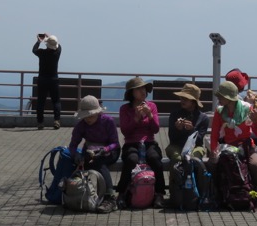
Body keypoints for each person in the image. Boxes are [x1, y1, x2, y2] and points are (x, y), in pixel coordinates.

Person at [118, 76, 165, 207]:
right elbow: (125, 132)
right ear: (131, 93)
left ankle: (159, 194)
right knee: (131, 160)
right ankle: (121, 193)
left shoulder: (152, 106)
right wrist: (136, 118)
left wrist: (150, 115)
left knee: (155, 159)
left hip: (149, 142)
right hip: (131, 143)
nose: (143, 92)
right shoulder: (125, 109)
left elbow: (155, 130)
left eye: (144, 88)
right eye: (139, 89)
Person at [68, 95, 120, 213]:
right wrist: (76, 155)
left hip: (110, 150)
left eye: (91, 116)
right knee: (86, 163)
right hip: (90, 150)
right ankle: (85, 194)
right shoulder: (81, 125)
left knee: (100, 163)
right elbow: (73, 145)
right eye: (86, 116)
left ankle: (110, 197)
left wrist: (104, 150)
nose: (88, 119)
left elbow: (115, 143)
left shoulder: (108, 121)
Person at [210, 80, 257, 191]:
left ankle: (256, 188)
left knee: (255, 165)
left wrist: (256, 121)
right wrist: (213, 150)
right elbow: (214, 134)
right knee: (213, 163)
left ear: (228, 98)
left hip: (246, 145)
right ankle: (218, 191)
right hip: (228, 146)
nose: (218, 98)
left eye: (220, 96)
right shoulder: (219, 111)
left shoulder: (247, 108)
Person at [166, 83, 210, 163]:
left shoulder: (203, 118)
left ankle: (198, 175)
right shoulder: (174, 115)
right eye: (181, 98)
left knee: (194, 159)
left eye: (185, 99)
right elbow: (172, 139)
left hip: (196, 147)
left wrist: (192, 130)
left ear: (193, 101)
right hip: (176, 146)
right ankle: (176, 175)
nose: (182, 100)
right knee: (177, 158)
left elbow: (199, 141)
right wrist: (177, 129)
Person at [224, 68, 257, 149]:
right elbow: (244, 122)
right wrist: (250, 104)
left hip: (225, 134)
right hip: (236, 135)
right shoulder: (242, 103)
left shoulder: (222, 99)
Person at [32, 33, 62, 130]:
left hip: (42, 80)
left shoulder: (41, 53)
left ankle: (40, 122)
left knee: (41, 102)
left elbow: (34, 50)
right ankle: (56, 121)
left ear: (47, 44)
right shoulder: (57, 53)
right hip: (54, 80)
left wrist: (39, 41)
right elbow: (59, 46)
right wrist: (49, 37)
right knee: (56, 101)